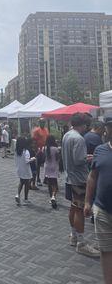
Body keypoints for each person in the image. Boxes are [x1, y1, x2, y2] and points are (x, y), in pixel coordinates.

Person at [62, 113, 99, 258]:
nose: (87, 128)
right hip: (79, 178)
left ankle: (74, 235)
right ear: (82, 124)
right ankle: (81, 243)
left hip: (70, 176)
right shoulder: (78, 138)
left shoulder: (67, 135)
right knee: (79, 209)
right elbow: (79, 159)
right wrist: (89, 158)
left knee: (73, 207)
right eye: (86, 125)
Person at [84, 117, 112, 284]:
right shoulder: (100, 150)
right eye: (110, 126)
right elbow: (92, 177)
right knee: (106, 251)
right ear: (106, 129)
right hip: (102, 210)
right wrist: (88, 202)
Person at [15, 137, 36, 206]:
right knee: (26, 184)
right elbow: (27, 161)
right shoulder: (25, 151)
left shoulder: (17, 151)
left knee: (21, 182)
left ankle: (18, 194)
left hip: (19, 169)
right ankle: (25, 198)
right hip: (26, 170)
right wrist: (32, 159)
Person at [32, 118, 49, 186]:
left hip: (45, 149)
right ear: (39, 123)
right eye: (41, 122)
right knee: (38, 165)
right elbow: (34, 141)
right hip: (38, 150)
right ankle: (38, 179)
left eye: (43, 122)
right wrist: (36, 150)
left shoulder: (46, 130)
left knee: (47, 164)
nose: (43, 123)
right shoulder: (36, 130)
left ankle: (46, 178)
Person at [44, 135, 60, 209]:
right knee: (55, 184)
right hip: (54, 166)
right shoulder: (55, 149)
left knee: (49, 184)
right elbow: (57, 158)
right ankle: (53, 196)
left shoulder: (45, 148)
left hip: (47, 167)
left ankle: (51, 197)